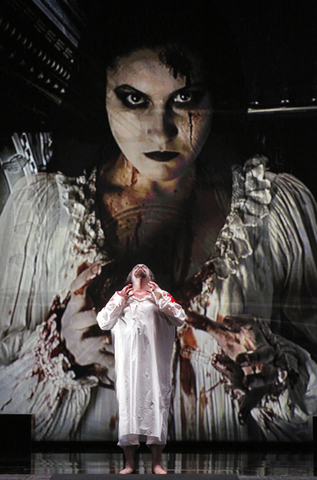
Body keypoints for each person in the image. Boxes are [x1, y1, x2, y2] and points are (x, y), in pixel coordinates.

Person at [0, 0, 317, 445]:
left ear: (216, 97)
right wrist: (56, 355)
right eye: (134, 99)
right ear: (101, 93)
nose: (160, 130)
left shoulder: (278, 213)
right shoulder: (40, 213)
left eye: (184, 99)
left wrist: (279, 367)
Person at [96, 264, 185, 474]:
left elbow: (179, 317)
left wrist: (159, 296)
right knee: (129, 407)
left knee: (156, 407)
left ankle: (156, 463)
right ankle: (129, 463)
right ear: (130, 276)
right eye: (137, 266)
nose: (140, 266)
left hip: (154, 365)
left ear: (150, 276)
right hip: (129, 366)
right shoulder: (120, 299)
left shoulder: (160, 296)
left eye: (144, 267)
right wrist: (119, 300)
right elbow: (103, 321)